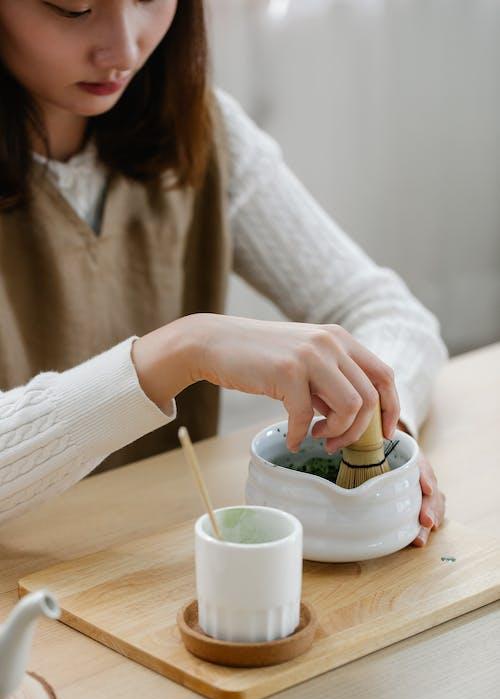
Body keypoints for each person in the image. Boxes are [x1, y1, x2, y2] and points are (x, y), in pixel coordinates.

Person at [0, 0, 446, 544]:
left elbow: (387, 312)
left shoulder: (201, 128)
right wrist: (184, 349)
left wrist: (380, 438)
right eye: (74, 8)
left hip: (163, 567)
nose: (123, 48)